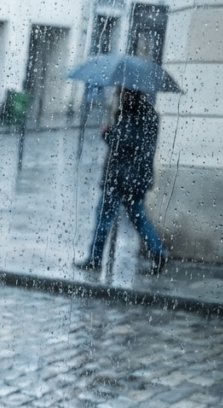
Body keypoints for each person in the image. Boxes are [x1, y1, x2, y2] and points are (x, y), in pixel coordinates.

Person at [77, 87, 168, 274]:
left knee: (104, 217)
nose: (120, 97)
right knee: (138, 217)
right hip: (137, 177)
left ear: (131, 94)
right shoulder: (149, 114)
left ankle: (95, 258)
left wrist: (107, 133)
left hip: (119, 177)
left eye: (122, 93)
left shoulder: (133, 114)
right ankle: (158, 251)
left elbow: (125, 142)